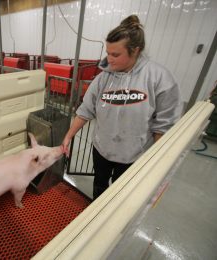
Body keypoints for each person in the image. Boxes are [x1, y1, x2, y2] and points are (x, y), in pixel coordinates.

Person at [61, 15, 182, 200]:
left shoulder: (159, 78)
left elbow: (163, 126)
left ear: (135, 51)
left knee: (122, 193)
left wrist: (159, 163)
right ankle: (96, 208)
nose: (109, 59)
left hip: (134, 154)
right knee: (100, 184)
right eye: (108, 52)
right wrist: (68, 136)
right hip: (102, 148)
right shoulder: (103, 78)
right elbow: (86, 110)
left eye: (115, 54)